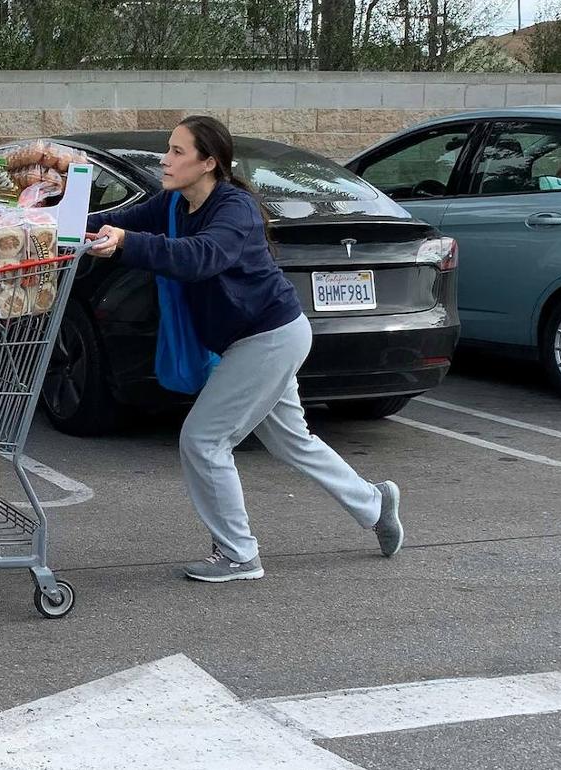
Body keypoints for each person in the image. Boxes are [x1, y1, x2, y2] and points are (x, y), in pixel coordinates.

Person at [86, 115, 404, 583]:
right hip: (254, 339)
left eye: (177, 151)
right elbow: (113, 221)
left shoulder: (235, 208)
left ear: (209, 162)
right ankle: (375, 505)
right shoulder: (174, 204)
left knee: (203, 440)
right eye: (167, 149)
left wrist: (127, 245)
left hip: (269, 337)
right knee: (291, 442)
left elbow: (201, 257)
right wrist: (45, 222)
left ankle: (239, 554)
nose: (165, 160)